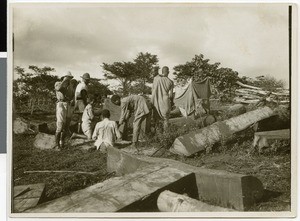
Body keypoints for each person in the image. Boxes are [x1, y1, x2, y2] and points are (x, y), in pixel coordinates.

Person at [54, 72, 74, 149]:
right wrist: (64, 80)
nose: (69, 79)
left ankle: (62, 142)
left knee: (67, 124)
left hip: (68, 104)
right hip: (61, 104)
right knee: (60, 124)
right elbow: (59, 89)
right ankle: (57, 145)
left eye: (70, 78)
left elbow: (71, 95)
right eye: (68, 78)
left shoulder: (70, 86)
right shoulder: (58, 83)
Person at [151, 66, 174, 132]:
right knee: (166, 119)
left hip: (158, 102)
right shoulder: (171, 82)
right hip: (166, 102)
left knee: (157, 119)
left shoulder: (157, 79)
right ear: (168, 72)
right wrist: (171, 103)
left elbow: (153, 90)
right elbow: (171, 95)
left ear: (162, 72)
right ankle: (165, 135)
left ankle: (158, 134)